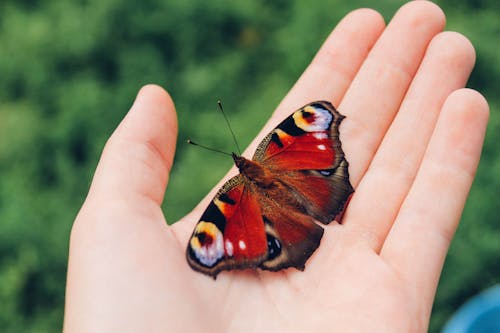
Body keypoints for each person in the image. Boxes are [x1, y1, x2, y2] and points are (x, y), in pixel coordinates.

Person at [63, 1, 489, 332]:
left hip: (293, 221)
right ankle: (316, 209)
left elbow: (316, 119)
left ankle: (306, 223)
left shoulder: (230, 201)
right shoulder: (271, 153)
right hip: (318, 189)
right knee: (306, 171)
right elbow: (209, 244)